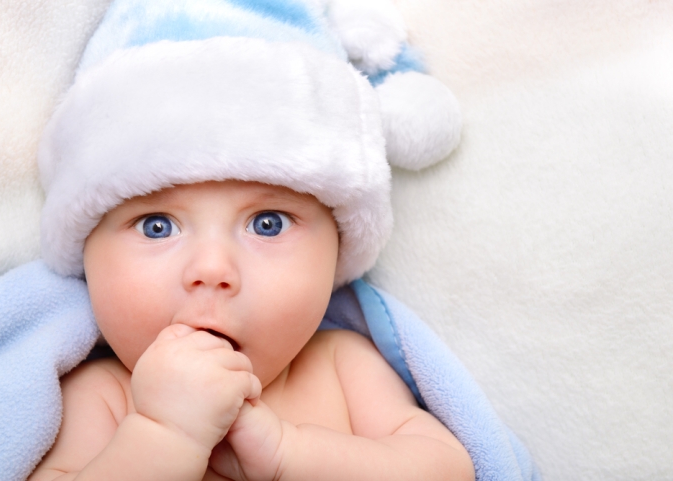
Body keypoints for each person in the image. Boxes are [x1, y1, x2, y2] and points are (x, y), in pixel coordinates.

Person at [28, 0, 473, 479]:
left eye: (268, 224)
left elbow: (448, 468)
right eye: (157, 226)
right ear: (86, 258)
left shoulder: (343, 368)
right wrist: (163, 434)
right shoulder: (101, 398)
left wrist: (291, 456)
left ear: (340, 248)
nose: (213, 269)